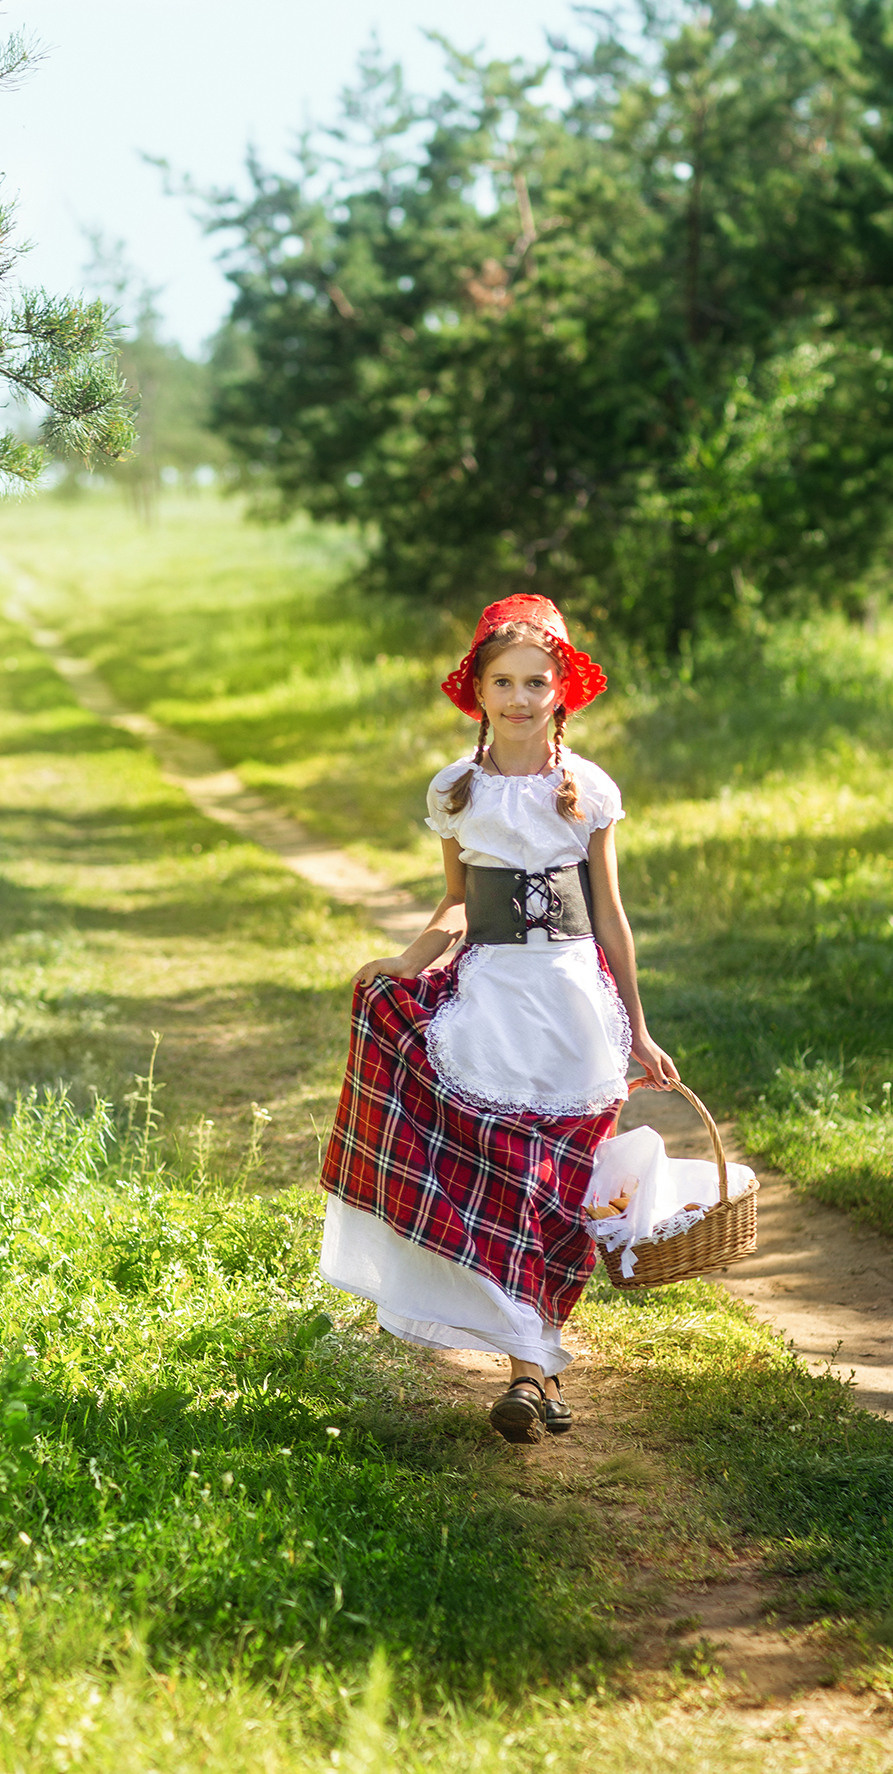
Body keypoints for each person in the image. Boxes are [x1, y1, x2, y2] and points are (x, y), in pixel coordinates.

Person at [318, 594, 678, 1443]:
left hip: (571, 1005)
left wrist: (641, 1023)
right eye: (503, 682)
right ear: (477, 691)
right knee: (506, 1184)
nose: (519, 698)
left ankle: (535, 1367)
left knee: (556, 1192)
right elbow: (454, 905)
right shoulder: (457, 790)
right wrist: (403, 965)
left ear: (561, 691)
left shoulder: (586, 790)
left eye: (535, 683)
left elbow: (611, 916)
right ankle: (531, 1373)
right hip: (490, 1003)